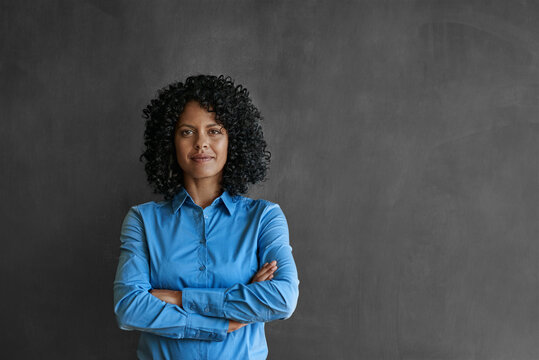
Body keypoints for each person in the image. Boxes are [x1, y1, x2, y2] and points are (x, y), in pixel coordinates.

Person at [113, 74, 300, 359]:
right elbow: (129, 308)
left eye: (214, 131)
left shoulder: (264, 218)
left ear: (233, 140)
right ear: (170, 141)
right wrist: (227, 320)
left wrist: (179, 298)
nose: (201, 143)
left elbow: (282, 299)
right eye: (187, 132)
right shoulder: (142, 221)